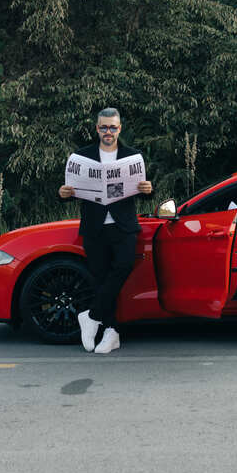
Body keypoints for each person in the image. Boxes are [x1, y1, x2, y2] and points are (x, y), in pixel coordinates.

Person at [59, 108, 152, 354]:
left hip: (123, 226)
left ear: (120, 128)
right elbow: (71, 191)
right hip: (95, 227)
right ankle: (111, 332)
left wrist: (147, 189)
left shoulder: (132, 156)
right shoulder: (82, 157)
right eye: (103, 127)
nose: (108, 132)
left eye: (112, 127)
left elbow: (144, 191)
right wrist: (63, 194)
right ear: (97, 128)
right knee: (101, 280)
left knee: (122, 267)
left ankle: (91, 316)